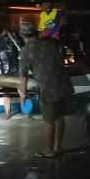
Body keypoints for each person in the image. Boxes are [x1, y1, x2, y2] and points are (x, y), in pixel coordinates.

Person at [17, 21, 74, 158]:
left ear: (22, 35)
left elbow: (23, 75)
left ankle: (48, 150)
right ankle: (58, 147)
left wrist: (23, 93)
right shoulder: (49, 44)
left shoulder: (26, 50)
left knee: (49, 119)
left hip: (49, 88)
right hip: (64, 83)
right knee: (60, 117)